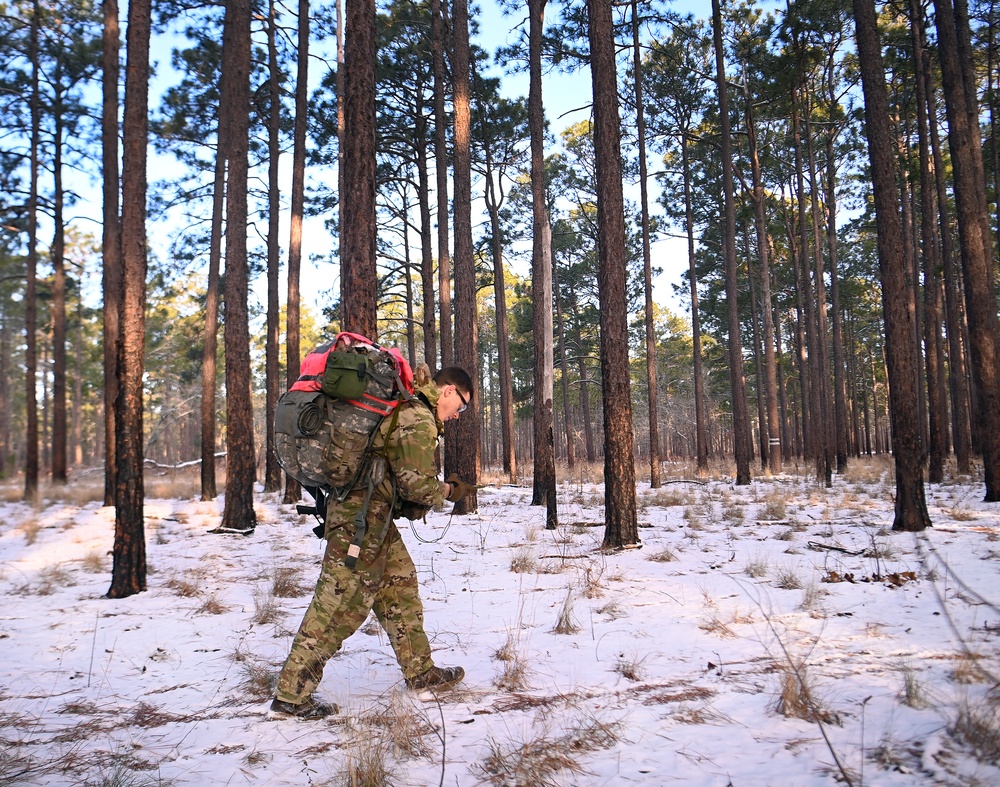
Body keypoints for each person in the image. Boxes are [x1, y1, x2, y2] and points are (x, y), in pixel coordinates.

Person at [268, 365, 477, 720]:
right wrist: (448, 491)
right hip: (358, 523)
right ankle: (291, 696)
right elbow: (416, 483)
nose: (458, 414)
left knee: (400, 587)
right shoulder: (418, 417)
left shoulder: (410, 411)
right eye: (462, 405)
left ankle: (420, 672)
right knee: (338, 604)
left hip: (372, 519)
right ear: (447, 391)